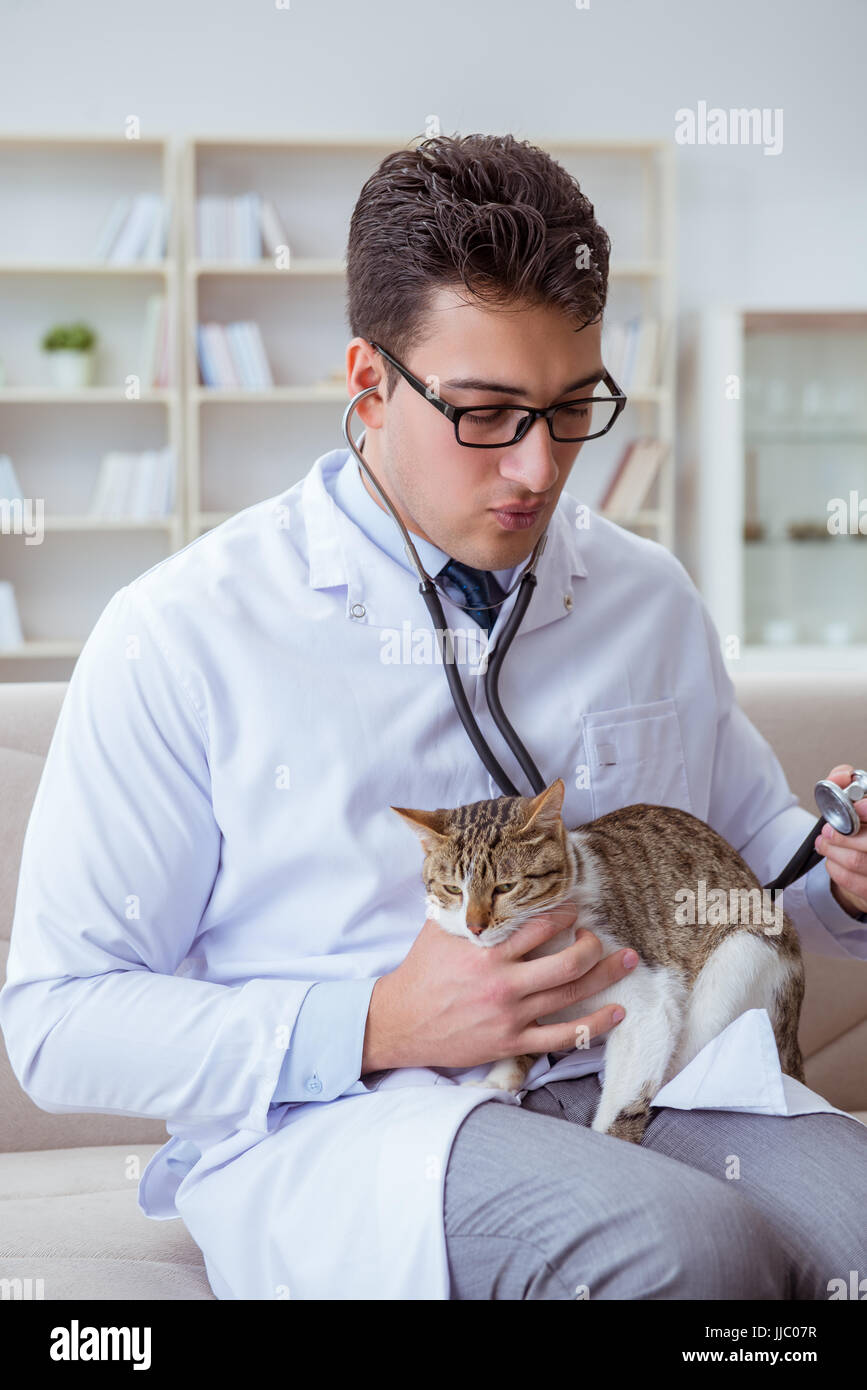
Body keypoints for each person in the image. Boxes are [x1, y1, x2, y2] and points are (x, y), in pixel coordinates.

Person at [2, 132, 866, 1302]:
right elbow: (57, 1021)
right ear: (367, 382)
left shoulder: (646, 594)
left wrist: (845, 877)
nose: (539, 467)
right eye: (486, 411)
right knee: (686, 1252)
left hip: (654, 1062)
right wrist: (377, 1021)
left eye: (573, 408)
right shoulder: (183, 632)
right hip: (367, 1119)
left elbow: (755, 870)